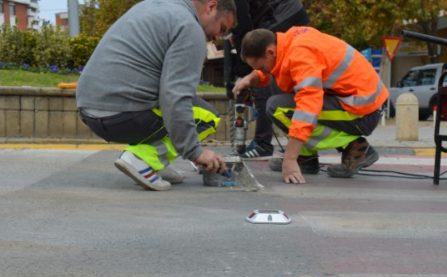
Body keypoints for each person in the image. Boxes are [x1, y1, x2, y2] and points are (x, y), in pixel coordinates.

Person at [76, 0, 237, 191]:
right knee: (207, 116)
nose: (218, 36)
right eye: (223, 28)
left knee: (176, 107)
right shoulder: (189, 28)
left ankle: (155, 165)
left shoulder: (153, 5)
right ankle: (141, 160)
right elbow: (175, 97)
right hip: (121, 114)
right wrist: (195, 152)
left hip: (89, 110)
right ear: (211, 6)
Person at [233, 27, 387, 183]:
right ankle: (307, 158)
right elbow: (284, 72)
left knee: (278, 108)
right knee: (277, 92)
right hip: (359, 101)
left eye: (260, 68)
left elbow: (308, 107)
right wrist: (253, 77)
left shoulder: (301, 55)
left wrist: (290, 159)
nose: (262, 71)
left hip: (363, 111)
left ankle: (356, 147)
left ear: (270, 52)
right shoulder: (290, 41)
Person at [226, 0, 309, 159]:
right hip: (281, 13)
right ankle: (273, 142)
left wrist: (245, 72)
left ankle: (263, 143)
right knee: (265, 70)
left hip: (282, 14)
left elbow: (241, 25)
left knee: (260, 65)